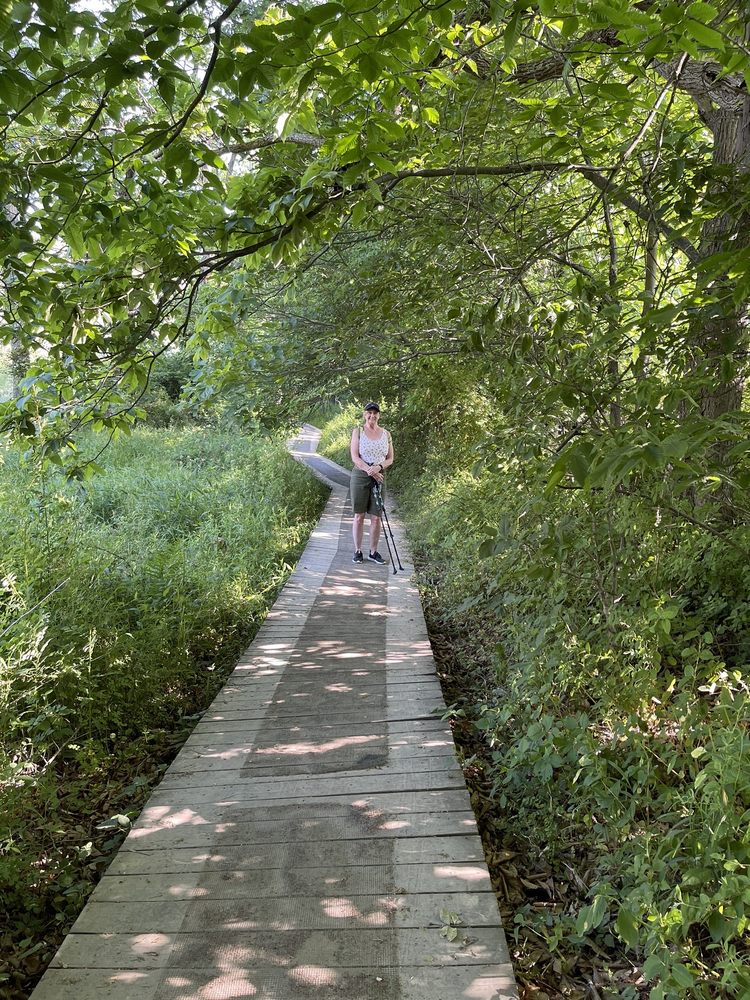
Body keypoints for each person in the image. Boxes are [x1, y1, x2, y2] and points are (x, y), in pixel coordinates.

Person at [350, 401, 394, 564]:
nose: (372, 415)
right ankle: (357, 550)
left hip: (380, 475)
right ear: (364, 414)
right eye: (369, 412)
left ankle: (373, 552)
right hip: (360, 475)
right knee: (359, 515)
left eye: (375, 413)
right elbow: (355, 456)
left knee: (376, 517)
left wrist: (378, 468)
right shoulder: (358, 432)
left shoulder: (386, 434)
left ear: (379, 415)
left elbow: (390, 458)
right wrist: (370, 471)